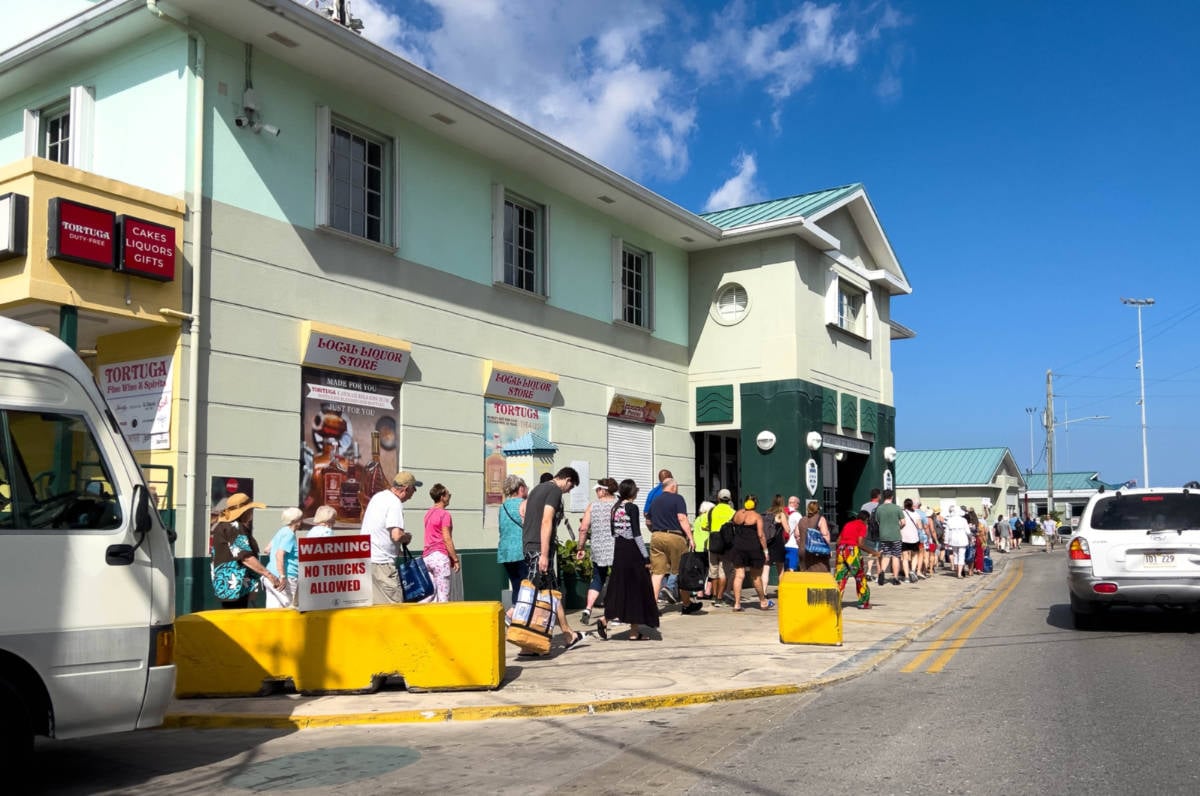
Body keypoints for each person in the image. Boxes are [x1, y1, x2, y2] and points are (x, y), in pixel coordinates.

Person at [521, 467, 586, 652]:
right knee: (536, 594)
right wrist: (544, 554)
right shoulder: (555, 491)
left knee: (549, 592)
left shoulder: (537, 489)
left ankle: (564, 635)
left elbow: (526, 514)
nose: (569, 490)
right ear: (566, 479)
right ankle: (512, 619)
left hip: (528, 545)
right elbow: (547, 520)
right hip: (539, 549)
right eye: (571, 486)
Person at [598, 479, 660, 641]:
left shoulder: (615, 507)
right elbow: (636, 534)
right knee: (638, 588)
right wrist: (645, 556)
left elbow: (613, 531)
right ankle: (634, 631)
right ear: (632, 492)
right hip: (632, 551)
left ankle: (606, 619)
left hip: (619, 550)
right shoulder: (631, 507)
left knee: (619, 586)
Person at [210, 493, 276, 609]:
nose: (251, 513)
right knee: (234, 621)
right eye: (250, 510)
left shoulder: (223, 526)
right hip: (235, 585)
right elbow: (245, 557)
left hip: (227, 586)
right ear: (244, 511)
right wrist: (269, 575)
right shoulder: (234, 527)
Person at [364, 470, 421, 604]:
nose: (414, 493)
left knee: (375, 607)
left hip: (368, 560)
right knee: (394, 607)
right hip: (383, 565)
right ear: (406, 489)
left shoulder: (378, 497)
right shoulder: (395, 503)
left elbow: (379, 530)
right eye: (414, 489)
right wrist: (406, 537)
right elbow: (396, 535)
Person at [646, 478, 701, 615]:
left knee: (657, 573)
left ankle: (652, 606)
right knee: (682, 571)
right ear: (674, 487)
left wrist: (655, 531)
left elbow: (648, 520)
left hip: (656, 536)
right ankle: (686, 603)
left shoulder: (655, 501)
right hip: (675, 536)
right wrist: (690, 537)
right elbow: (682, 518)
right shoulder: (677, 499)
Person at [576, 478, 619, 624]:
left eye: (597, 490)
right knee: (617, 579)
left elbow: (583, 528)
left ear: (603, 490)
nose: (596, 492)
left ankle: (588, 608)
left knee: (598, 578)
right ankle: (615, 613)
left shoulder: (592, 506)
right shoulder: (619, 505)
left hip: (598, 548)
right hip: (616, 548)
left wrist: (580, 547)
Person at [728, 495, 773, 611]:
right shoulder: (757, 516)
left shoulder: (737, 514)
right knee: (756, 576)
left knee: (739, 575)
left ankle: (737, 604)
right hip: (753, 548)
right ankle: (763, 602)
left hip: (738, 547)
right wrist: (765, 550)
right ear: (755, 504)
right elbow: (761, 535)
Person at [422, 483, 460, 602]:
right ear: (442, 497)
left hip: (427, 557)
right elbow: (446, 538)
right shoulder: (445, 514)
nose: (449, 497)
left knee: (430, 597)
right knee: (443, 598)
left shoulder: (428, 514)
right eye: (448, 495)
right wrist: (455, 559)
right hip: (440, 557)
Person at [262, 507, 303, 608]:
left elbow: (267, 549)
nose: (302, 521)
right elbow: (279, 554)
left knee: (273, 611)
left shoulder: (282, 531)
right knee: (289, 609)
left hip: (270, 576)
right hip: (286, 577)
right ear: (295, 521)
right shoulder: (289, 535)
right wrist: (282, 576)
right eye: (300, 519)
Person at [497, 475, 528, 598]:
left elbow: (501, 528)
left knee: (516, 586)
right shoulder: (525, 504)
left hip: (505, 552)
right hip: (521, 550)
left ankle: (515, 612)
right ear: (521, 488)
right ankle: (523, 614)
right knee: (527, 586)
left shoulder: (502, 507)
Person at [834, 509, 872, 609]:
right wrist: (873, 552)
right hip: (852, 552)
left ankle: (835, 603)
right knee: (860, 577)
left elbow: (838, 541)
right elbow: (860, 544)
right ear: (866, 519)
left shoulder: (848, 524)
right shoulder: (862, 525)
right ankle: (863, 603)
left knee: (840, 577)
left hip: (841, 550)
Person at [706, 488, 737, 606]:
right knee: (723, 572)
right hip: (726, 545)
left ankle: (714, 596)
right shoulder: (732, 512)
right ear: (730, 499)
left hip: (713, 543)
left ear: (718, 498)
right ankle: (720, 597)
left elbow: (706, 526)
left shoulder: (711, 511)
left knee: (713, 571)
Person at [874, 489, 904, 586]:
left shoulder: (879, 508)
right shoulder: (897, 508)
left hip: (884, 535)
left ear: (883, 496)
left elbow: (878, 522)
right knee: (895, 556)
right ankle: (895, 578)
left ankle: (882, 572)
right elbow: (903, 522)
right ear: (892, 497)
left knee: (886, 555)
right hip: (895, 535)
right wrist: (898, 527)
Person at [797, 500, 832, 573]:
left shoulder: (801, 520)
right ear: (817, 509)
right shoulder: (820, 519)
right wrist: (828, 549)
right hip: (817, 551)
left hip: (803, 551)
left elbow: (797, 535)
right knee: (821, 575)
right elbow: (825, 536)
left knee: (806, 575)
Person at [692, 499, 715, 599]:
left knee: (699, 571)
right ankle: (708, 591)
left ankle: (699, 592)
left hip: (698, 548)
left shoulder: (697, 519)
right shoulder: (709, 518)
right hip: (708, 547)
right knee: (711, 570)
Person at [944, 505, 971, 578]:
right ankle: (959, 573)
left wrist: (946, 541)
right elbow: (968, 532)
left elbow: (947, 532)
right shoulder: (963, 520)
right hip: (962, 539)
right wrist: (970, 538)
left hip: (953, 539)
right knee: (961, 556)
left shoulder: (950, 520)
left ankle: (957, 572)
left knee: (955, 555)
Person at [900, 498, 922, 583]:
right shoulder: (916, 514)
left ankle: (906, 577)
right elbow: (920, 527)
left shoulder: (902, 513)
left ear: (904, 505)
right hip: (914, 538)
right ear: (912, 505)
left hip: (904, 538)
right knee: (914, 555)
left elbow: (900, 524)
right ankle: (912, 571)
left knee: (905, 558)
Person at [784, 495, 802, 572]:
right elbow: (798, 532)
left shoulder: (781, 513)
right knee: (791, 569)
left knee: (783, 570)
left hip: (782, 544)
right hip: (793, 545)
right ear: (796, 504)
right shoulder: (797, 515)